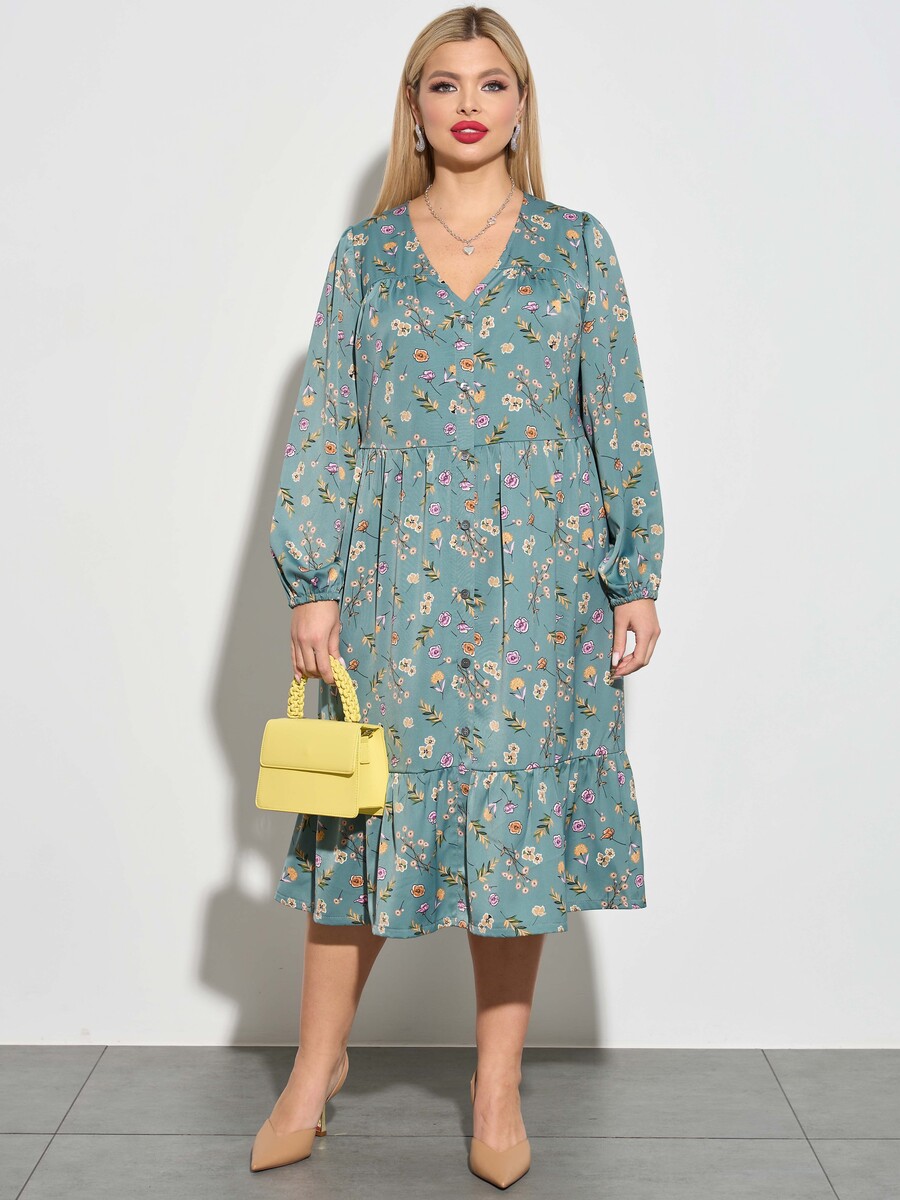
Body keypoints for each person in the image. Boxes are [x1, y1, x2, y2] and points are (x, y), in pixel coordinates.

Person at [252, 4, 665, 1188]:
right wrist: (313, 581)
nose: (469, 103)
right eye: (445, 83)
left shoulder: (577, 247)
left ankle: (496, 1092)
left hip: (544, 579)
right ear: (416, 106)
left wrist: (634, 573)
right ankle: (312, 1070)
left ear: (521, 106)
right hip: (396, 579)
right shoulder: (368, 255)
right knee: (362, 815)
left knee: (515, 818)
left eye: (492, 82)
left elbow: (618, 412)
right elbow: (328, 418)